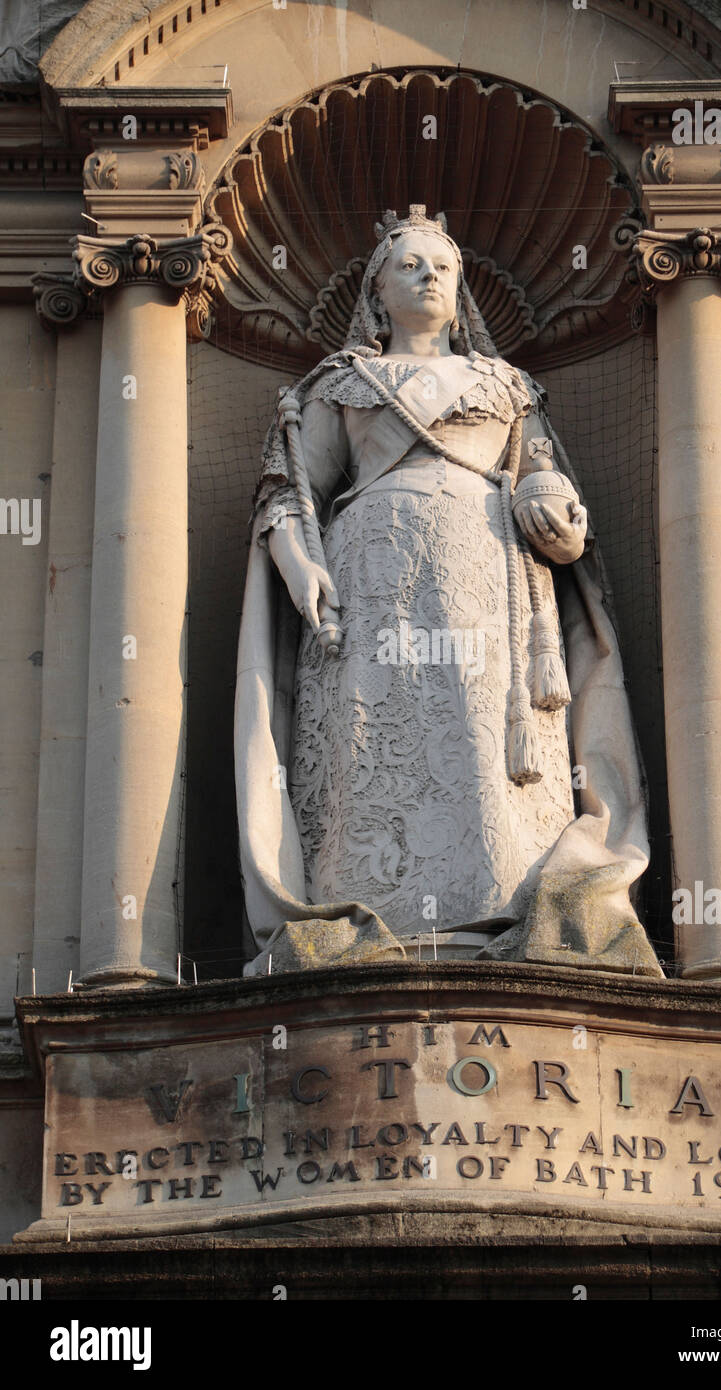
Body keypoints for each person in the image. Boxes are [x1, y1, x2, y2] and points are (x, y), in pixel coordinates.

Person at [235, 206, 661, 977]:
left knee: (485, 743)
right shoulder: (342, 382)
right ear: (376, 291)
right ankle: (368, 924)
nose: (427, 275)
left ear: (460, 288)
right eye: (409, 265)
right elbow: (291, 495)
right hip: (371, 577)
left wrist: (554, 510)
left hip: (489, 573)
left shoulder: (506, 384)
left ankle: (502, 920)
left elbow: (540, 472)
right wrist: (303, 568)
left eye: (441, 266)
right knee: (372, 741)